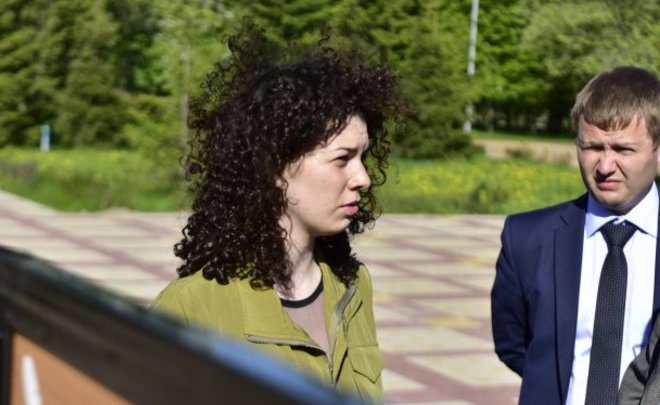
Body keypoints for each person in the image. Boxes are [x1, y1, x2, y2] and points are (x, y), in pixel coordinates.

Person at [151, 21, 407, 403]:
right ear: (275, 167)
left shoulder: (354, 285)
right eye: (342, 159)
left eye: (363, 157)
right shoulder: (189, 309)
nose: (364, 178)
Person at [491, 66, 660, 405]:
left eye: (623, 149)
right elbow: (514, 347)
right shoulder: (527, 239)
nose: (605, 166)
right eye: (592, 147)